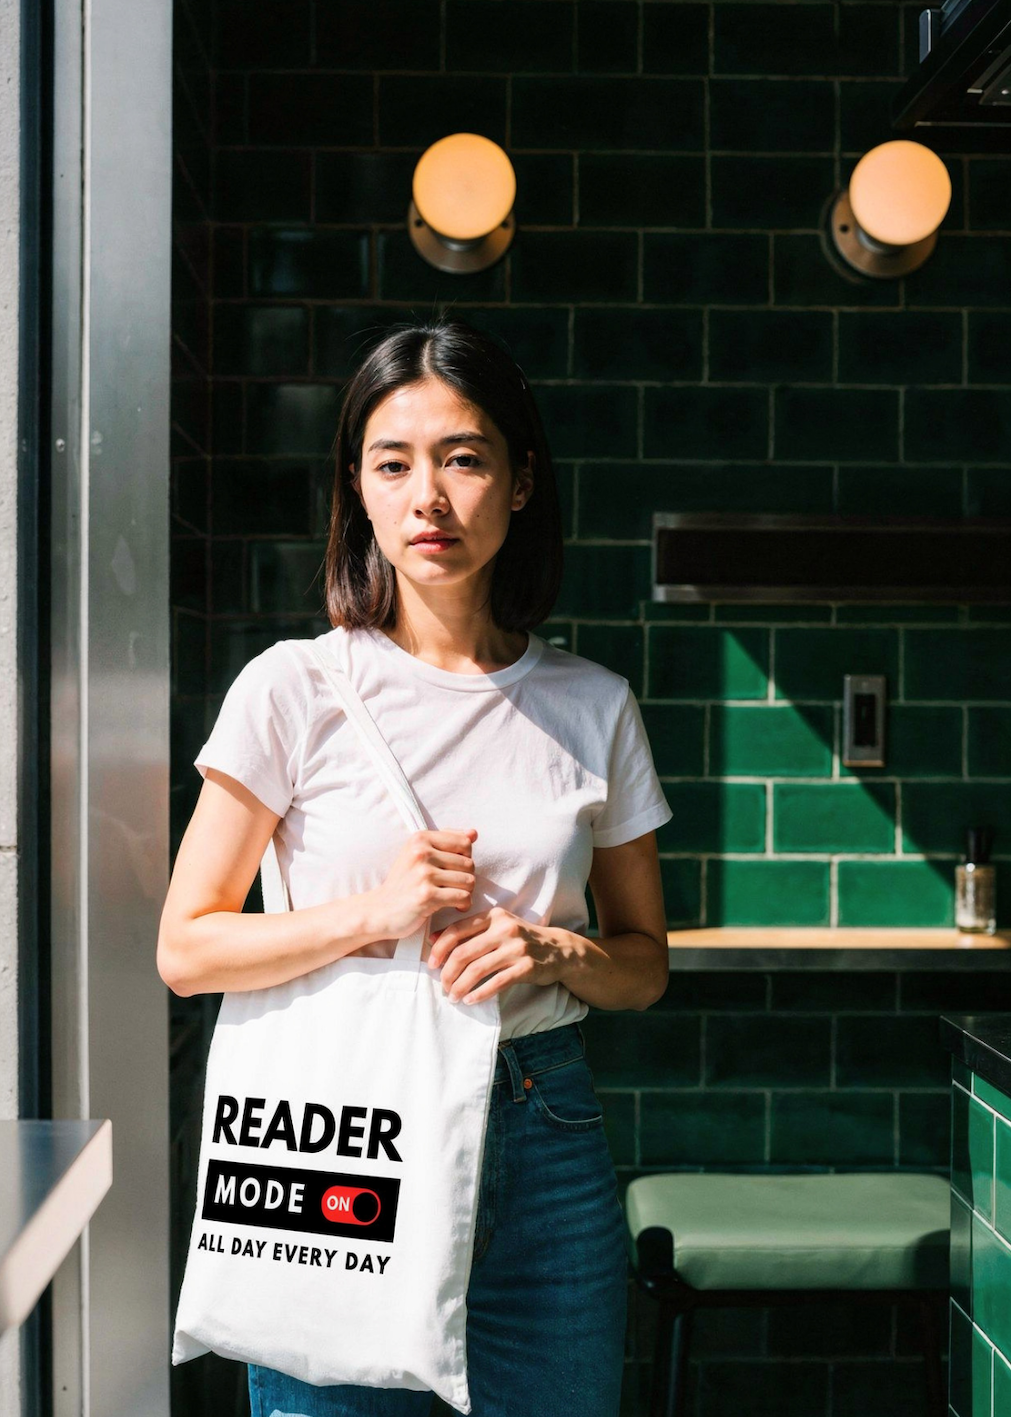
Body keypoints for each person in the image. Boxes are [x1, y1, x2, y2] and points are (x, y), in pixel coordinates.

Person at [157, 315, 673, 1417]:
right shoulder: (292, 688)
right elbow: (187, 947)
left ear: (520, 481)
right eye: (391, 464)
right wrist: (378, 909)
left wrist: (552, 947)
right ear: (358, 488)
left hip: (544, 1137)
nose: (426, 496)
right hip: (347, 1132)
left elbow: (641, 966)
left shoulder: (592, 705)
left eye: (463, 458)